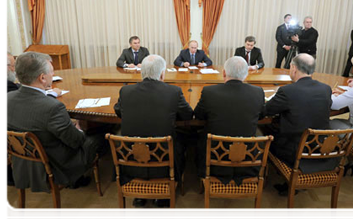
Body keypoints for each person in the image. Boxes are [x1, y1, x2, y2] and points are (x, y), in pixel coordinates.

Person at [5, 52, 104, 192]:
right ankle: (77, 178)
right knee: (99, 136)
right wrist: (79, 128)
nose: (53, 75)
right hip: (56, 166)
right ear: (42, 78)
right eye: (51, 72)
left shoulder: (7, 99)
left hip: (23, 163)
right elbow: (76, 141)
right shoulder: (52, 107)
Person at [114, 54, 193, 207]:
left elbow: (118, 111)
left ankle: (140, 194)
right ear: (162, 74)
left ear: (141, 72)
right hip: (163, 161)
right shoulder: (174, 92)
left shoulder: (126, 91)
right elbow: (188, 115)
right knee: (182, 141)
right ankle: (163, 195)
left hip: (132, 160)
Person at [194, 56, 265, 184]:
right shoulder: (258, 92)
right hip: (247, 158)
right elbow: (261, 116)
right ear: (246, 74)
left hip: (215, 157)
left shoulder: (209, 92)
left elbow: (198, 116)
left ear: (224, 73)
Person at [264, 54, 334, 180]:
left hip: (294, 151)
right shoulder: (326, 89)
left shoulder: (287, 91)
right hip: (320, 147)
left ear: (293, 68)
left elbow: (266, 111)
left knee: (265, 131)